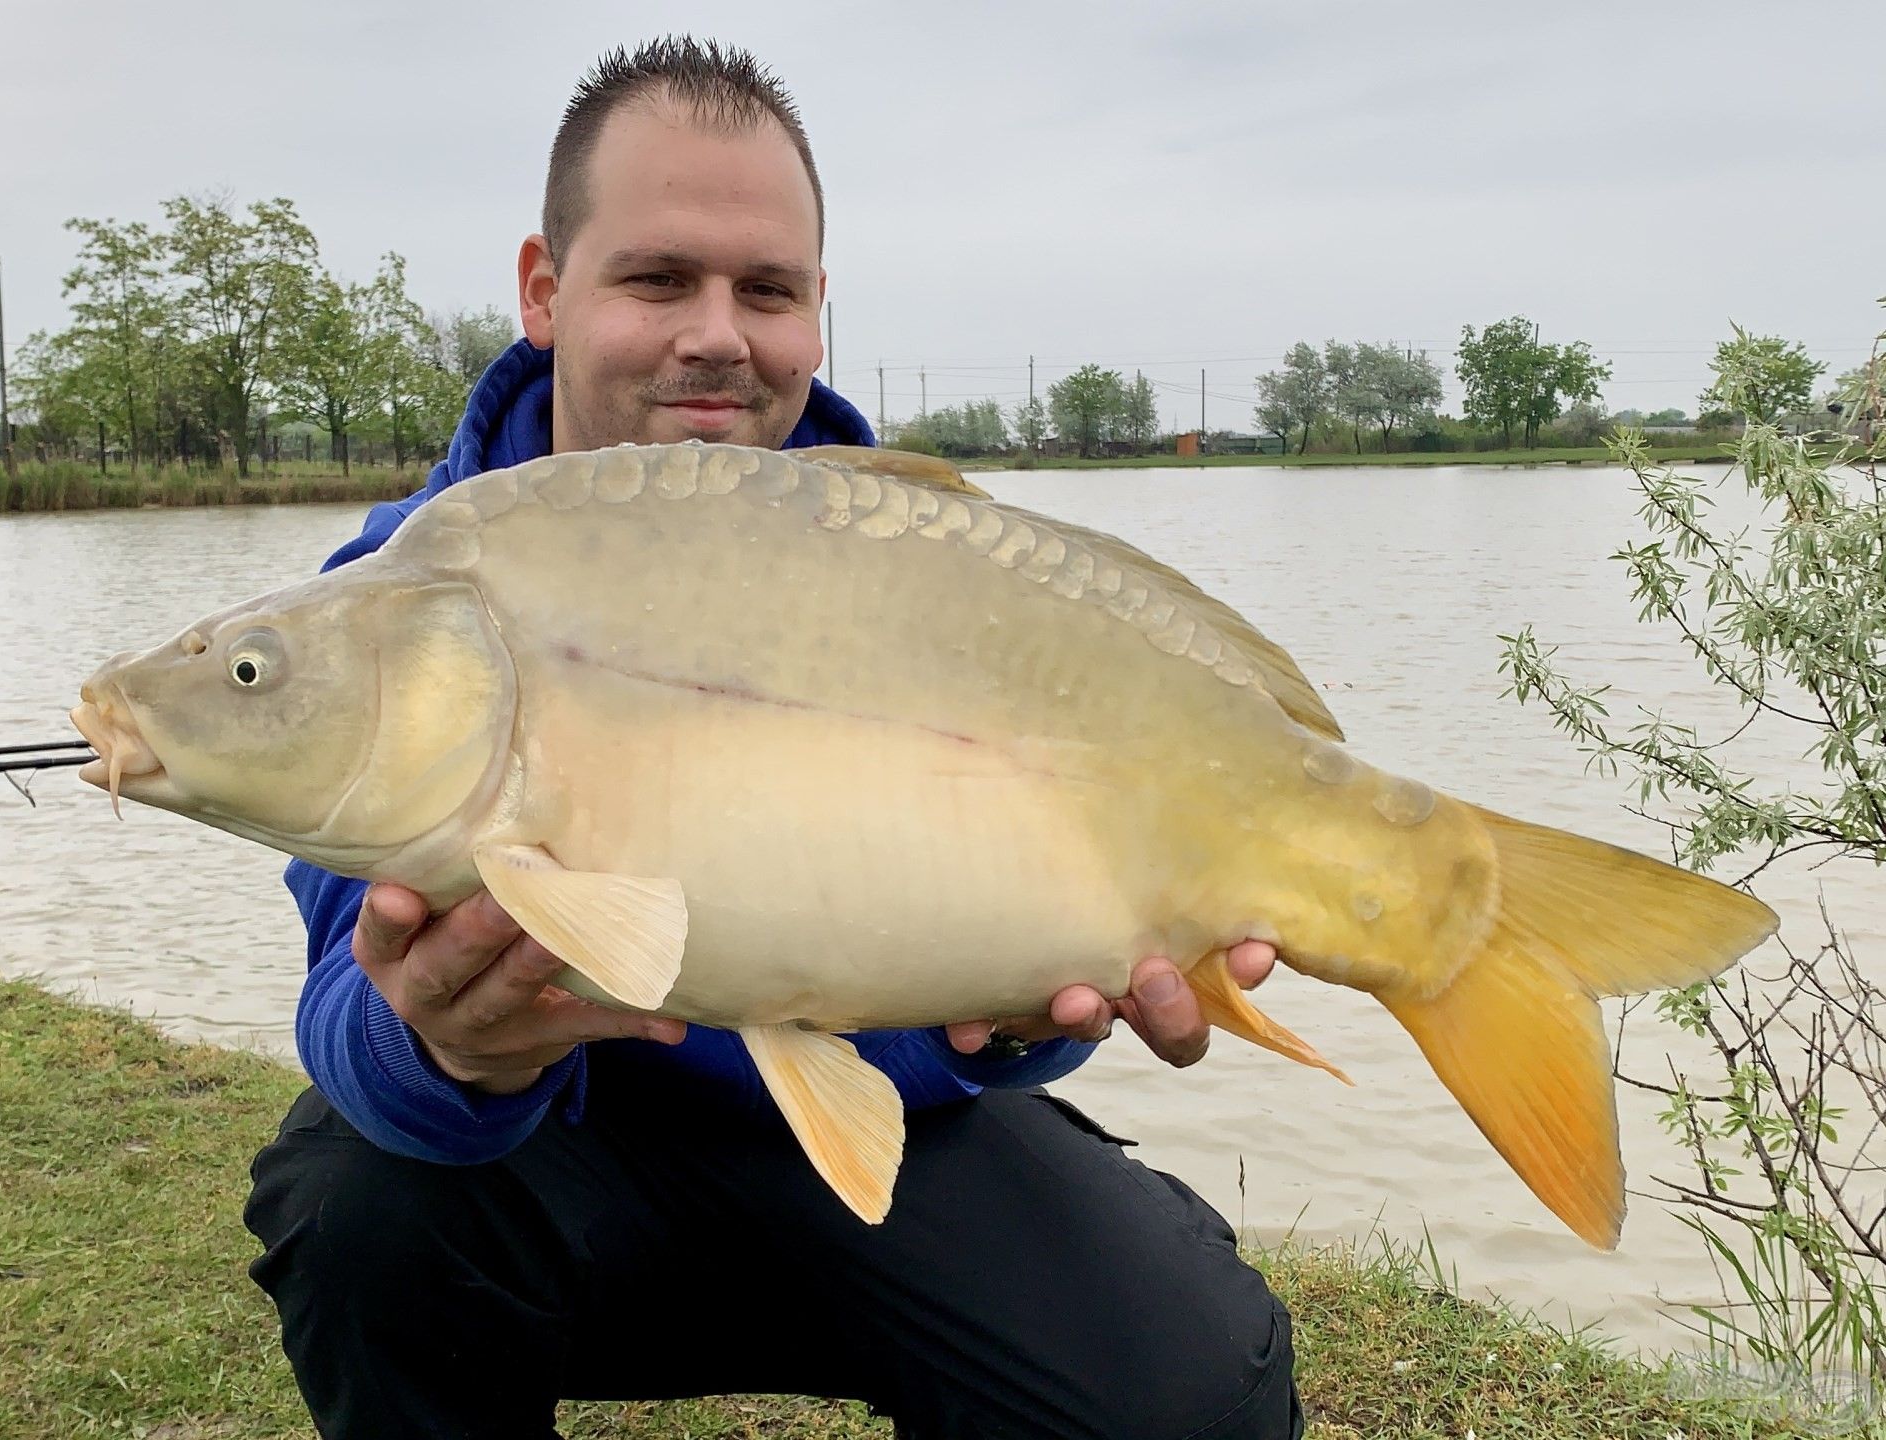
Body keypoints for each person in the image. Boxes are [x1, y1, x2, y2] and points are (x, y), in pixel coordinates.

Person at [243, 35, 1305, 1440]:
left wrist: (1007, 1032)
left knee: (1193, 1390)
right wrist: (446, 1050)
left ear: (818, 310)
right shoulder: (406, 603)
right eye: (658, 277)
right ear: (545, 292)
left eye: (767, 289)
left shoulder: (937, 567)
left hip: (882, 1137)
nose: (717, 334)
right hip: (552, 1160)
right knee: (355, 1203)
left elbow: (1001, 981)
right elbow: (343, 989)